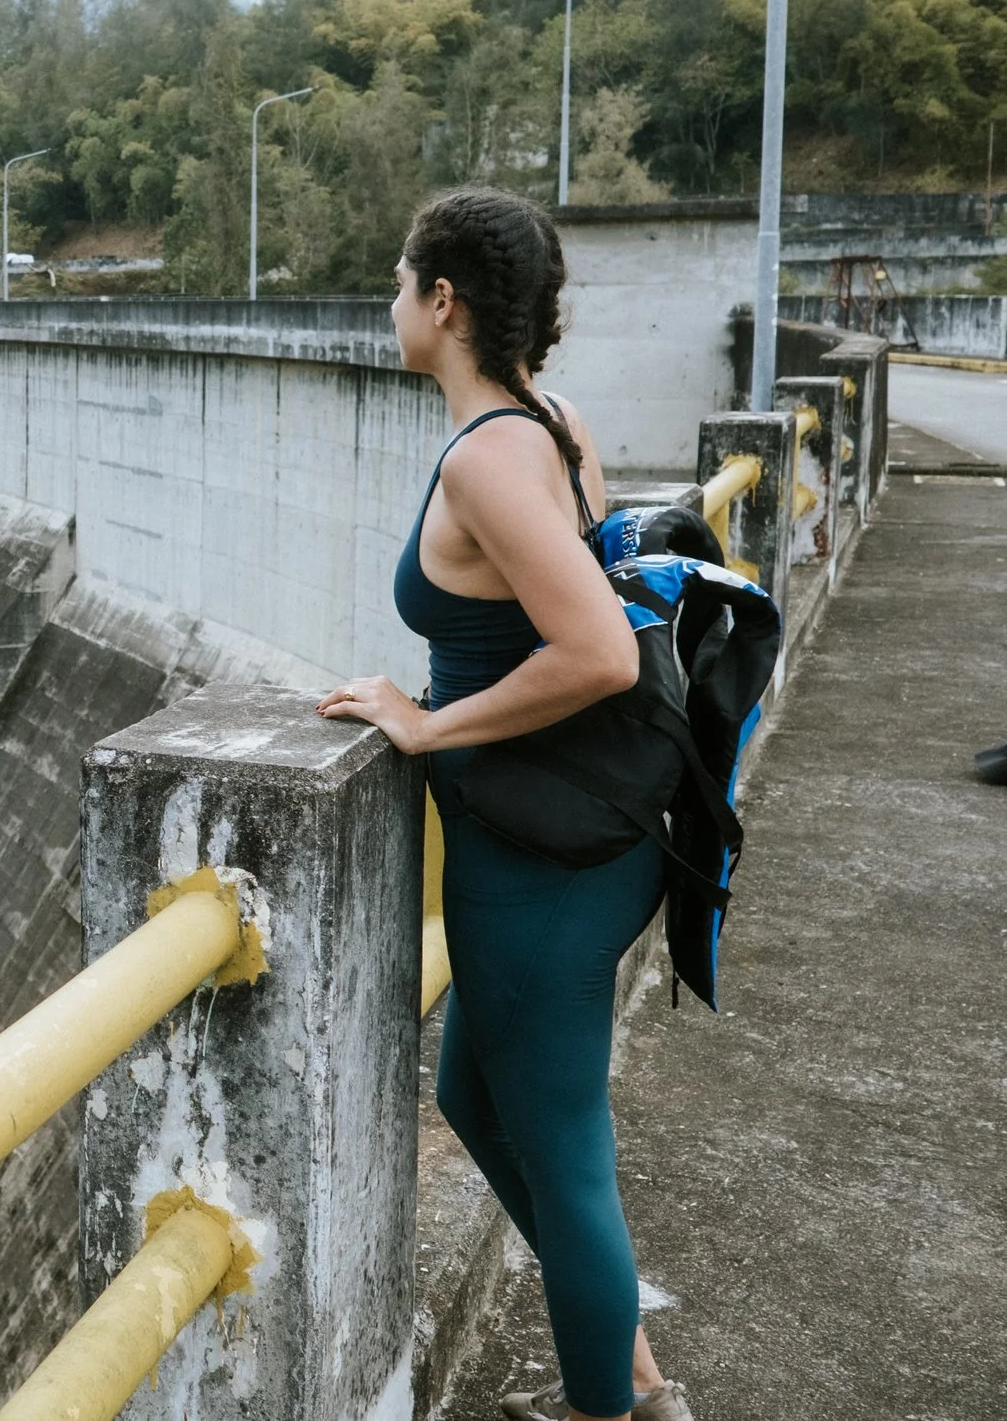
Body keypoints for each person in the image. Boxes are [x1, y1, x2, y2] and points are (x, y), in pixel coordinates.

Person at [314, 186, 694, 1421]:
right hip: (575, 838)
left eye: (397, 279)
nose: (390, 302)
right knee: (473, 1097)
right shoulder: (553, 420)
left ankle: (616, 1410)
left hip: (536, 865)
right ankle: (626, 1365)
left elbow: (598, 650)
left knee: (567, 1156)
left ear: (442, 300)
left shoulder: (487, 461)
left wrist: (427, 725)